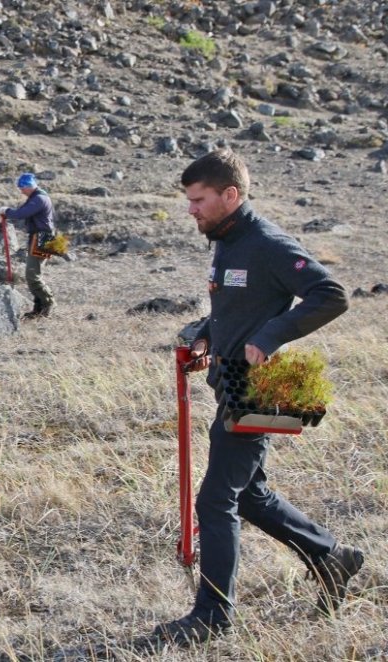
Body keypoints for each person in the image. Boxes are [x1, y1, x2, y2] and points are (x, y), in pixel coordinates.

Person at [154, 150, 364, 645]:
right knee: (249, 494)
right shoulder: (227, 241)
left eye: (199, 200)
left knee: (216, 500)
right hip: (229, 385)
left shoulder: (267, 243)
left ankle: (212, 615)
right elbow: (233, 306)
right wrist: (206, 335)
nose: (191, 210)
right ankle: (331, 556)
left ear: (230, 195)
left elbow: (331, 294)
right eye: (189, 201)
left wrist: (270, 337)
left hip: (252, 390)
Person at [0, 172, 56, 319]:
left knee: (32, 275)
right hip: (42, 237)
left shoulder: (39, 199)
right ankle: (39, 309)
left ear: (29, 186)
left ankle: (48, 303)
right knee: (34, 274)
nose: (21, 191)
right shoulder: (37, 197)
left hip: (43, 238)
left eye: (22, 188)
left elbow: (20, 214)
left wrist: (6, 211)